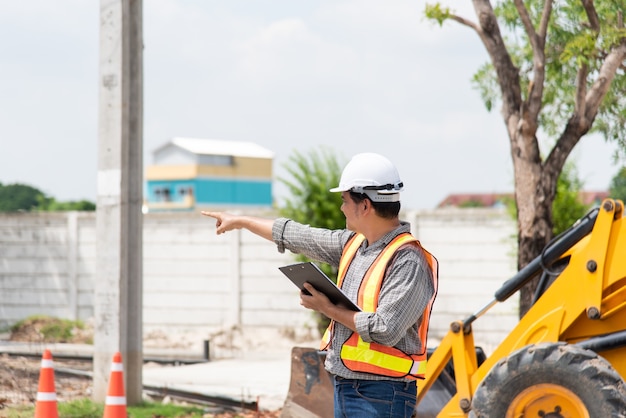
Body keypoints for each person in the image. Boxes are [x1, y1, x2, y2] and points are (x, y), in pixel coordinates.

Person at [202, 152, 438, 418]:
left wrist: (328, 308)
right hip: (346, 385)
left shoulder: (409, 260)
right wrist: (242, 221)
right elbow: (296, 235)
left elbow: (385, 329)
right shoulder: (354, 245)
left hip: (382, 394)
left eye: (344, 200)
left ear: (365, 206)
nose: (341, 208)